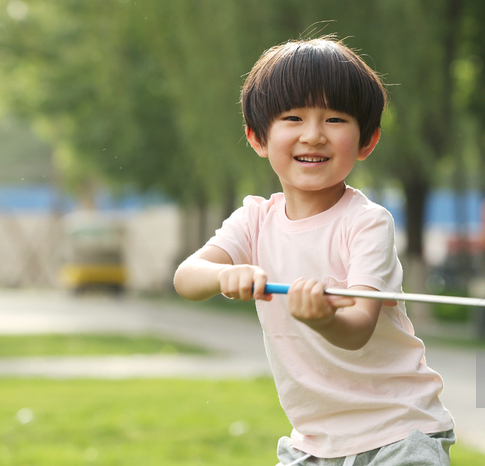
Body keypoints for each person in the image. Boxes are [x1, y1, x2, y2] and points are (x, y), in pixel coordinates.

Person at [174, 36, 455, 466]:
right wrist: (221, 275)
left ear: (367, 141)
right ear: (257, 137)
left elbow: (358, 326)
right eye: (292, 117)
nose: (313, 135)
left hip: (397, 429)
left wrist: (324, 319)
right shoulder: (253, 220)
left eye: (335, 119)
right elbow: (186, 278)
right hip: (315, 442)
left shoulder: (366, 222)